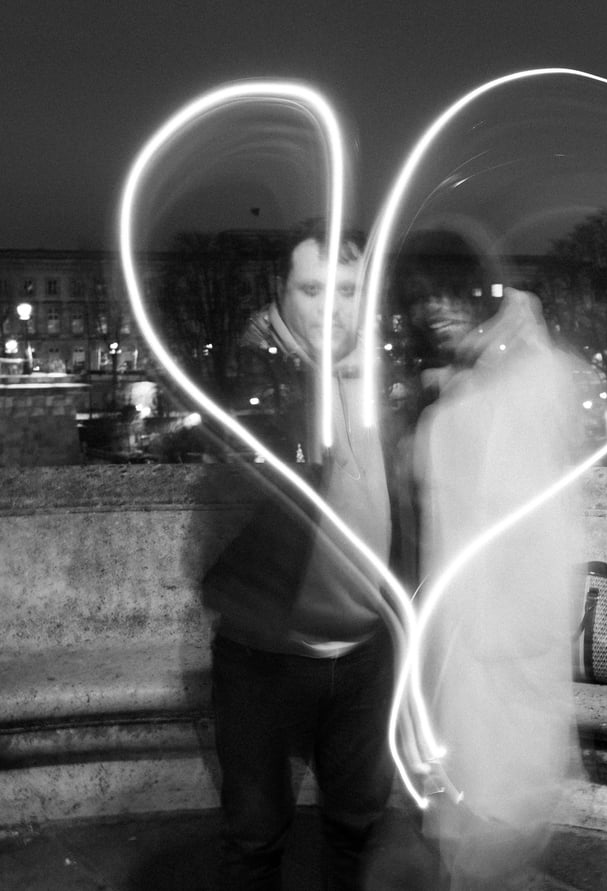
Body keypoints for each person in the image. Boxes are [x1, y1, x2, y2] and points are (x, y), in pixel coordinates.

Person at [202, 220, 394, 890]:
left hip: (367, 656)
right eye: (313, 290)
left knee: (358, 831)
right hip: (265, 657)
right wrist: (288, 372)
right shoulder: (255, 379)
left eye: (349, 290)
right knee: (255, 839)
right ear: (280, 294)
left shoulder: (377, 375)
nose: (333, 308)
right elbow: (249, 452)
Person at [390, 229, 582, 889]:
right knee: (469, 837)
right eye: (419, 297)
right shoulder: (450, 390)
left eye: (448, 290)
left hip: (506, 654)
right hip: (458, 650)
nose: (433, 308)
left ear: (481, 290)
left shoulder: (528, 374)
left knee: (490, 831)